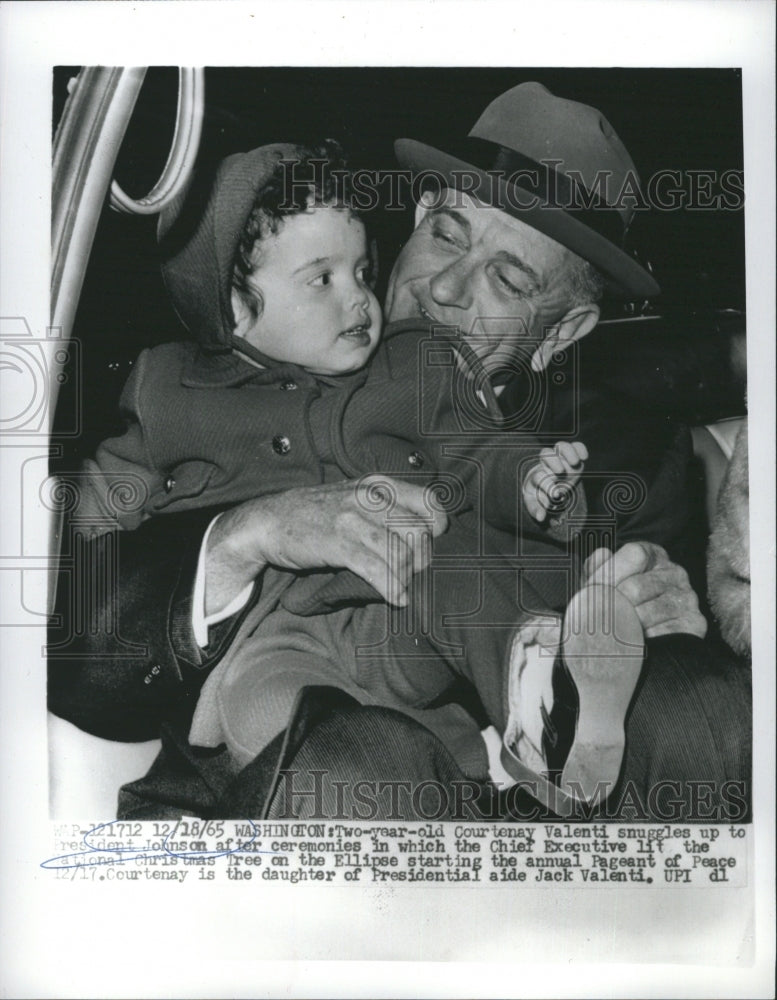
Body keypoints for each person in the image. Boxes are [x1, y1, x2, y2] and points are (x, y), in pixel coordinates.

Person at [49, 82, 751, 821]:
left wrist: (651, 613)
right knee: (353, 766)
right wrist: (243, 537)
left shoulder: (629, 458)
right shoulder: (210, 380)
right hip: (290, 768)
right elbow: (66, 619)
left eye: (507, 278)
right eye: (444, 233)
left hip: (528, 797)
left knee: (706, 714)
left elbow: (660, 649)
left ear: (560, 334)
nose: (443, 286)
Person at [72, 138, 597, 785]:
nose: (359, 300)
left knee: (455, 577)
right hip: (271, 636)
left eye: (361, 272)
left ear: (565, 332)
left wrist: (534, 483)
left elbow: (479, 451)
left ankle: (545, 724)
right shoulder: (166, 389)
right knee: (267, 709)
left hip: (403, 602)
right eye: (322, 279)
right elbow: (91, 523)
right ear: (237, 309)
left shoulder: (415, 369)